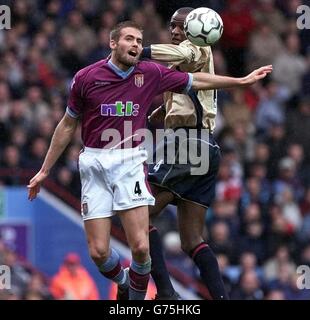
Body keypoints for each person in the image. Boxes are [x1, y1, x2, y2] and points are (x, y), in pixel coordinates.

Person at [27, 20, 272, 300]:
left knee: (141, 247)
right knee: (98, 253)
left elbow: (197, 81)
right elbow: (67, 124)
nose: (135, 45)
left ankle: (143, 298)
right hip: (94, 163)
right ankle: (123, 280)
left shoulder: (150, 72)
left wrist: (241, 81)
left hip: (131, 161)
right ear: (113, 43)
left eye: (138, 40)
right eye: (129, 39)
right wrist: (45, 170)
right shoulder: (86, 77)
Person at [143, 7, 236, 300]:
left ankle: (167, 292)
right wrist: (163, 110)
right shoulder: (195, 59)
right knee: (192, 240)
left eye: (178, 25)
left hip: (187, 142)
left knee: (138, 215)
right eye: (171, 25)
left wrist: (138, 52)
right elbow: (188, 90)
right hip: (206, 146)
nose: (173, 30)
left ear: (195, 28)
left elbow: (180, 54)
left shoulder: (194, 48)